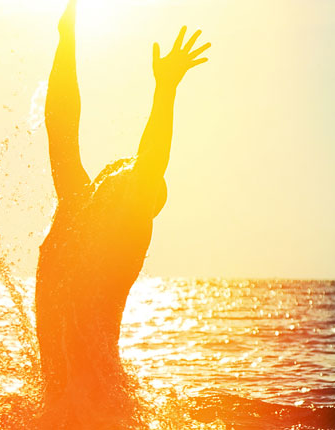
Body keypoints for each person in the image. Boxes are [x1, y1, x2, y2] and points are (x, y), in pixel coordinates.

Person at [36, 1, 209, 427]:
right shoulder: (79, 209)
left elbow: (152, 160)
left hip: (98, 396)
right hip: (65, 395)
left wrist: (166, 90)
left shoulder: (124, 235)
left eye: (134, 179)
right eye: (120, 168)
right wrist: (66, 40)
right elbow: (61, 125)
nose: (122, 170)